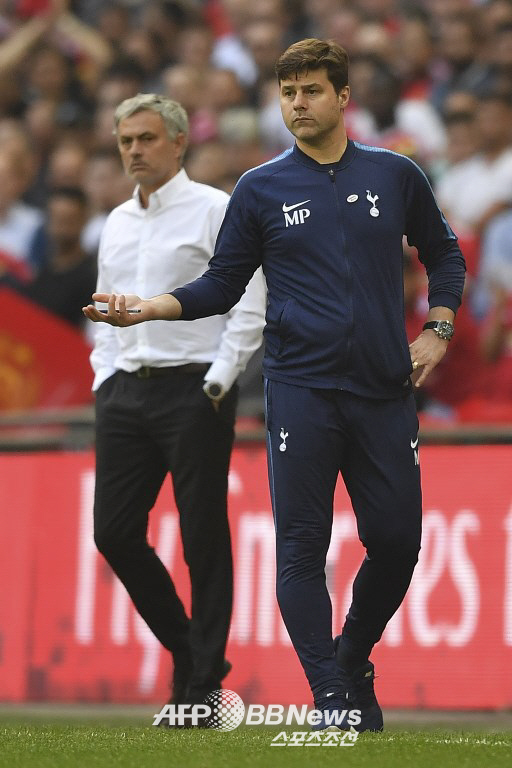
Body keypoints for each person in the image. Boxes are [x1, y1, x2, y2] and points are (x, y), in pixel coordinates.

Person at [84, 40, 466, 732]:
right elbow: (221, 284)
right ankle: (330, 697)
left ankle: (351, 658)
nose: (298, 104)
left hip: (384, 388)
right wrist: (148, 308)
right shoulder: (260, 188)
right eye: (288, 93)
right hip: (300, 390)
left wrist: (437, 329)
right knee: (300, 548)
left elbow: (443, 253)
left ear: (343, 97)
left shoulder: (394, 174)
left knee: (397, 543)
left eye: (312, 91)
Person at [84, 93, 266, 711]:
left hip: (194, 387)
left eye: (147, 138)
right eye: (126, 140)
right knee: (113, 532)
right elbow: (104, 305)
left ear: (180, 141)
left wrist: (220, 378)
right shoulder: (115, 221)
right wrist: (105, 376)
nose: (134, 150)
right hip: (125, 389)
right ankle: (189, 650)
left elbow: (249, 300)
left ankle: (203, 683)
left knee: (201, 534)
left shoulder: (215, 209)